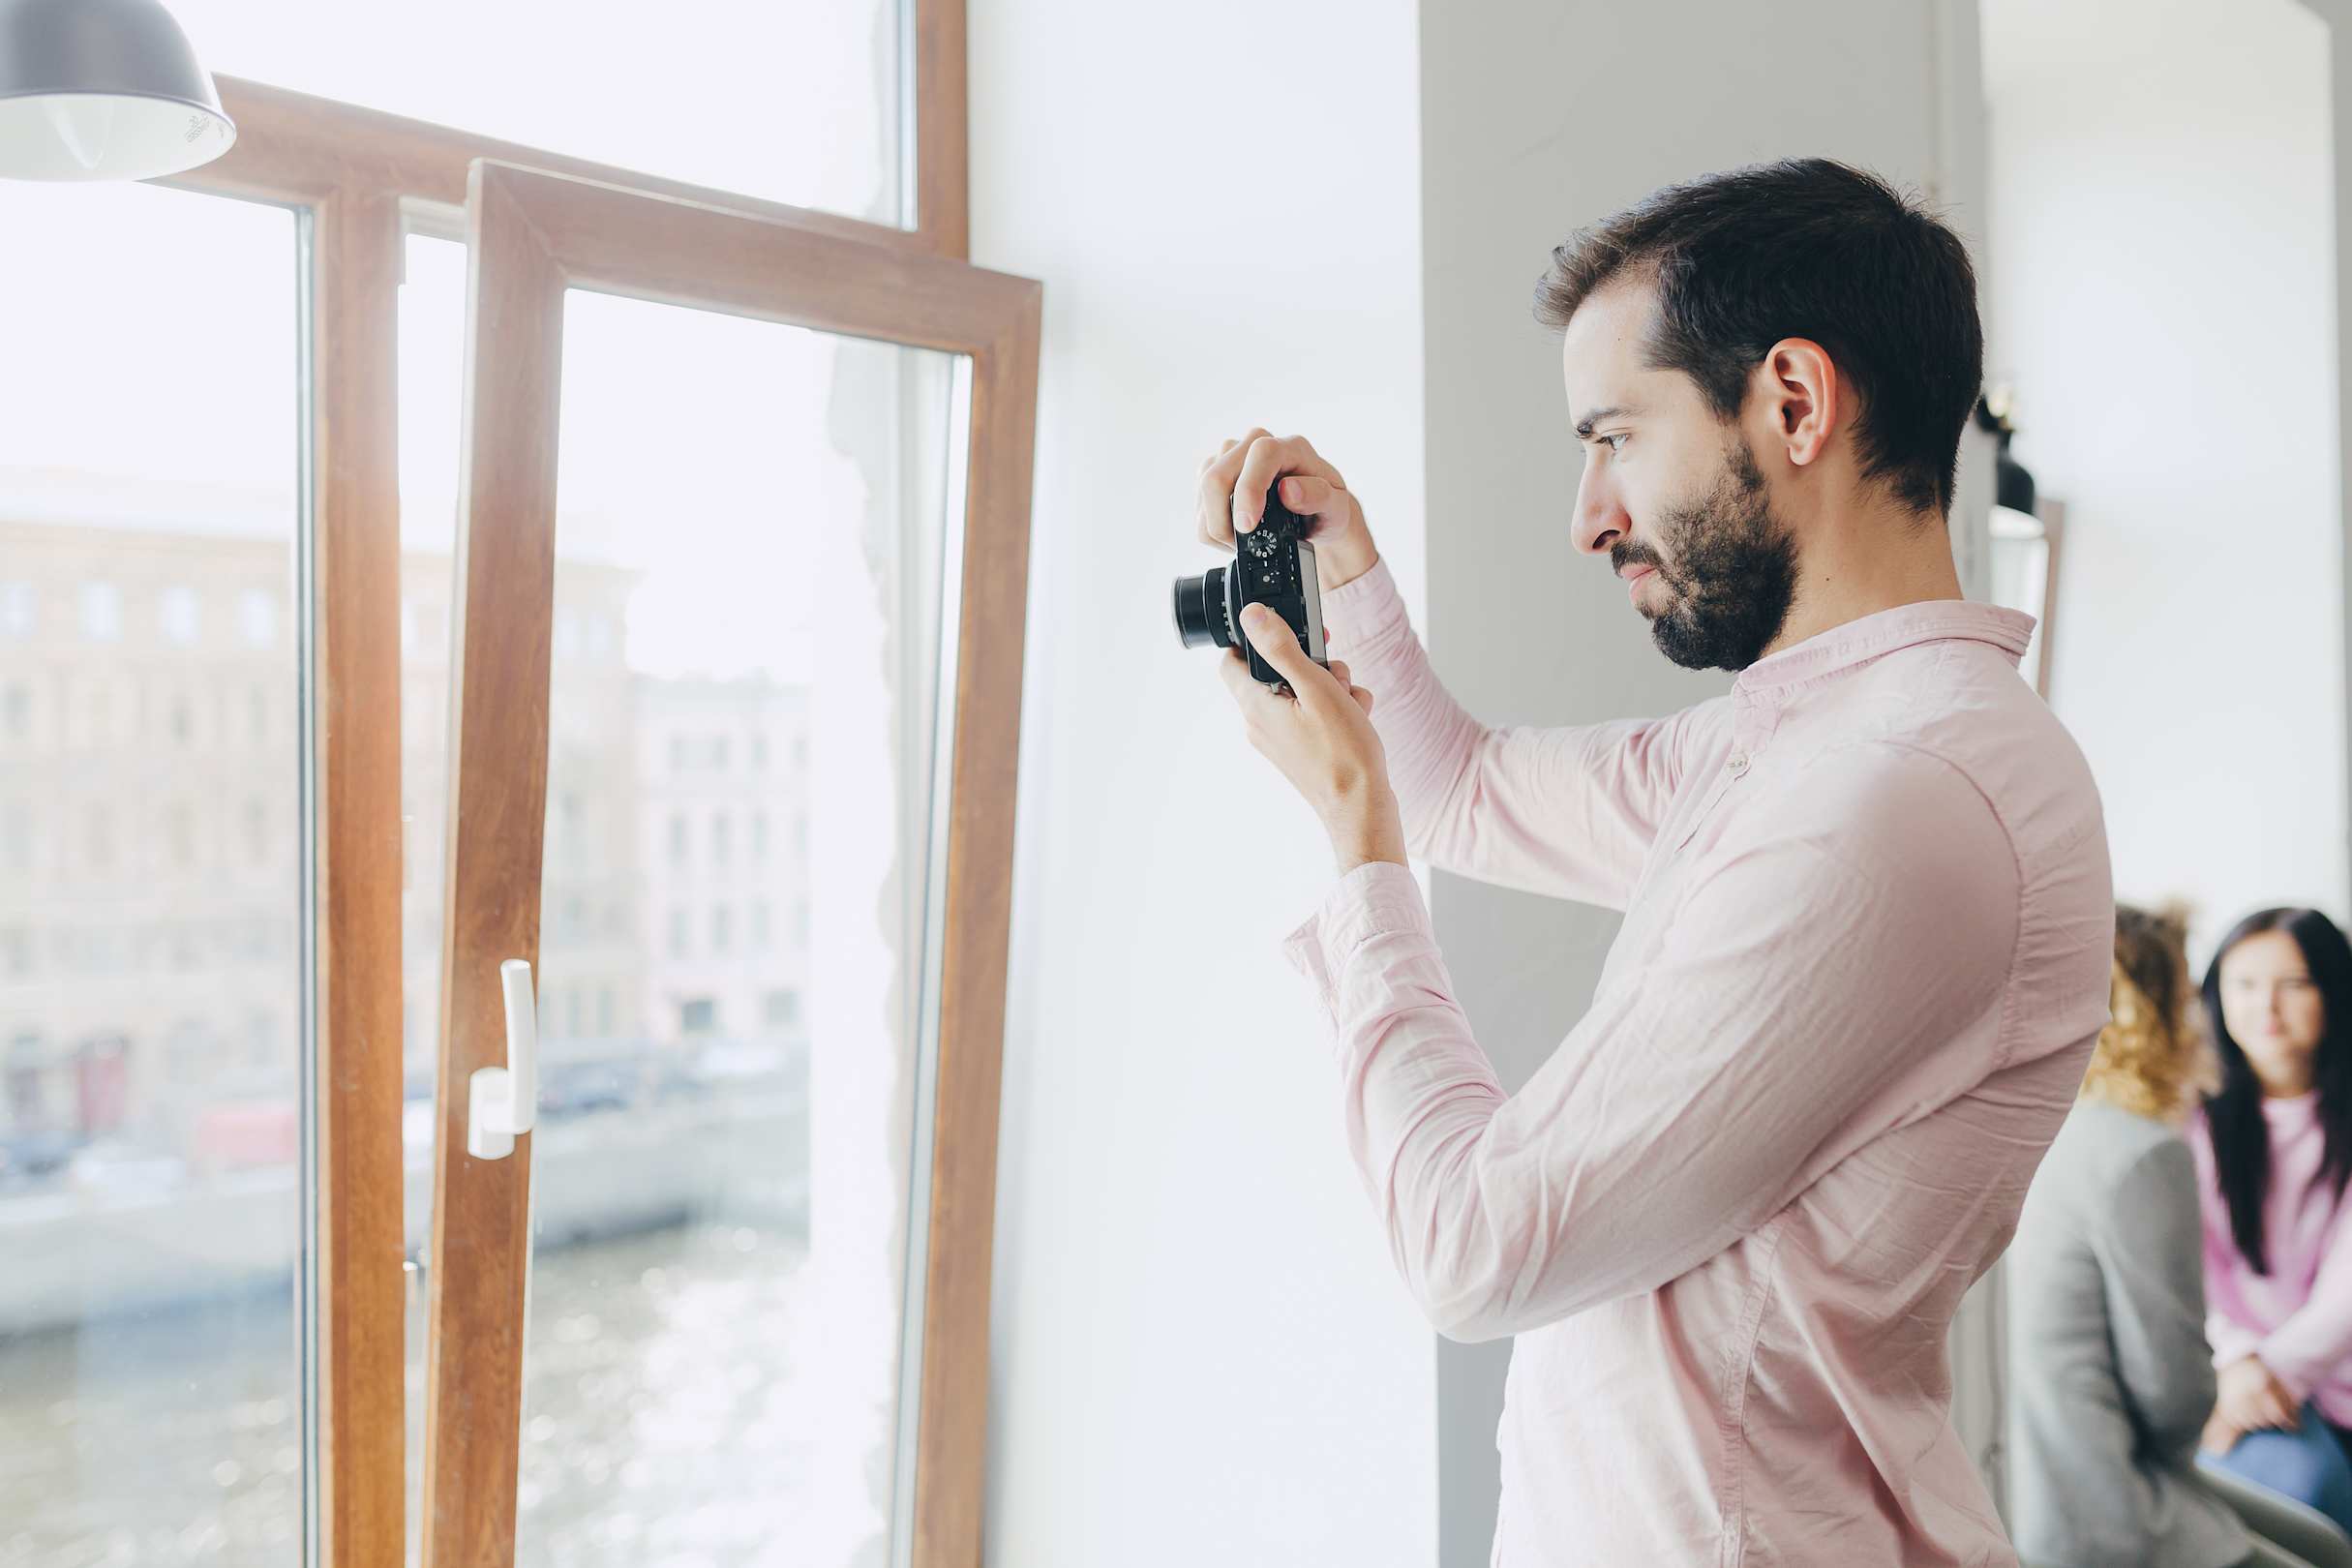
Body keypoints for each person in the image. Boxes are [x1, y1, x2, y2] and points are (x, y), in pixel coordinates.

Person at [1198, 158, 2113, 1564]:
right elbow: (1466, 791)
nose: (1589, 516)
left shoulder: (1898, 799)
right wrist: (1348, 579)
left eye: (1615, 437)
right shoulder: (1801, 745)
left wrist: (1356, 848)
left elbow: (1476, 1245)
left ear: (1793, 404)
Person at [2008, 904, 2277, 1568]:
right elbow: (2175, 1398)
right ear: (2157, 1010)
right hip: (2111, 1513)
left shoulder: (2035, 1132)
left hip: (2021, 1501)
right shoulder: (2142, 1153)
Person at [2193, 908, 2352, 1539]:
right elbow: (2188, 1270)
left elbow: (2344, 1298)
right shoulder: (2189, 1115)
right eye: (2245, 984)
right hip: (2232, 1374)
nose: (2267, 1006)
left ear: (2333, 990)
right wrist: (2237, 1364)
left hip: (2305, 1379)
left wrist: (2266, 1379)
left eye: (2294, 984)